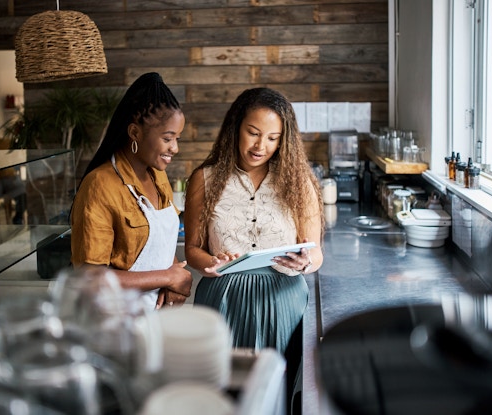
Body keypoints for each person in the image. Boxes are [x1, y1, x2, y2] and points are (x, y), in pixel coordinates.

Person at [183, 87, 324, 409]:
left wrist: (304, 263)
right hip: (223, 297)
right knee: (220, 394)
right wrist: (211, 260)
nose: (262, 146)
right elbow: (193, 248)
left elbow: (315, 254)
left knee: (277, 393)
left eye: (273, 138)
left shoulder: (299, 182)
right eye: (253, 133)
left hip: (283, 300)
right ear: (236, 128)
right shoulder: (204, 178)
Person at [70, 72, 192, 311]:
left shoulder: (157, 175)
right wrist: (168, 277)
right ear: (135, 133)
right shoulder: (100, 185)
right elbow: (91, 279)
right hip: (114, 322)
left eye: (177, 138)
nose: (175, 148)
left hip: (155, 317)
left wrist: (174, 276)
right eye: (168, 138)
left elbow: (161, 243)